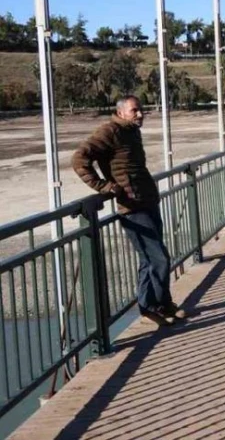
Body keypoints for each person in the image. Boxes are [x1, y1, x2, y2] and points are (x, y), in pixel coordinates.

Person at [71, 96, 188, 327]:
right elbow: (79, 159)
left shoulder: (131, 131)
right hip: (132, 207)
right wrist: (103, 186)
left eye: (141, 110)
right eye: (135, 110)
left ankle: (159, 305)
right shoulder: (110, 131)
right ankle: (153, 307)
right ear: (122, 112)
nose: (140, 114)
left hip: (147, 201)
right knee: (159, 258)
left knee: (150, 259)